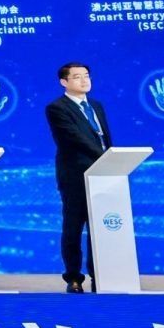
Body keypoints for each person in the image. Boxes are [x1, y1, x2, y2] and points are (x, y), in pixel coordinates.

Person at [46, 62, 112, 293]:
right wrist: (105, 157)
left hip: (102, 174)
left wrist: (111, 160)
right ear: (64, 82)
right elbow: (74, 138)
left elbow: (104, 139)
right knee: (73, 227)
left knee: (101, 226)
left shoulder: (96, 106)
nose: (84, 81)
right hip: (75, 175)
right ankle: (73, 278)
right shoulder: (57, 108)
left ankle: (100, 275)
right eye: (77, 77)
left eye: (87, 76)